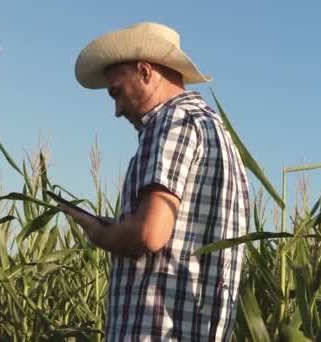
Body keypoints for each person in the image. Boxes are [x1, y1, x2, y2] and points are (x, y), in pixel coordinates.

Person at [57, 22, 250, 341]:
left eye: (116, 92)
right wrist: (117, 227)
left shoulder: (170, 122)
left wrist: (99, 235)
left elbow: (150, 233)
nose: (117, 110)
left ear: (145, 72)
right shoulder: (217, 132)